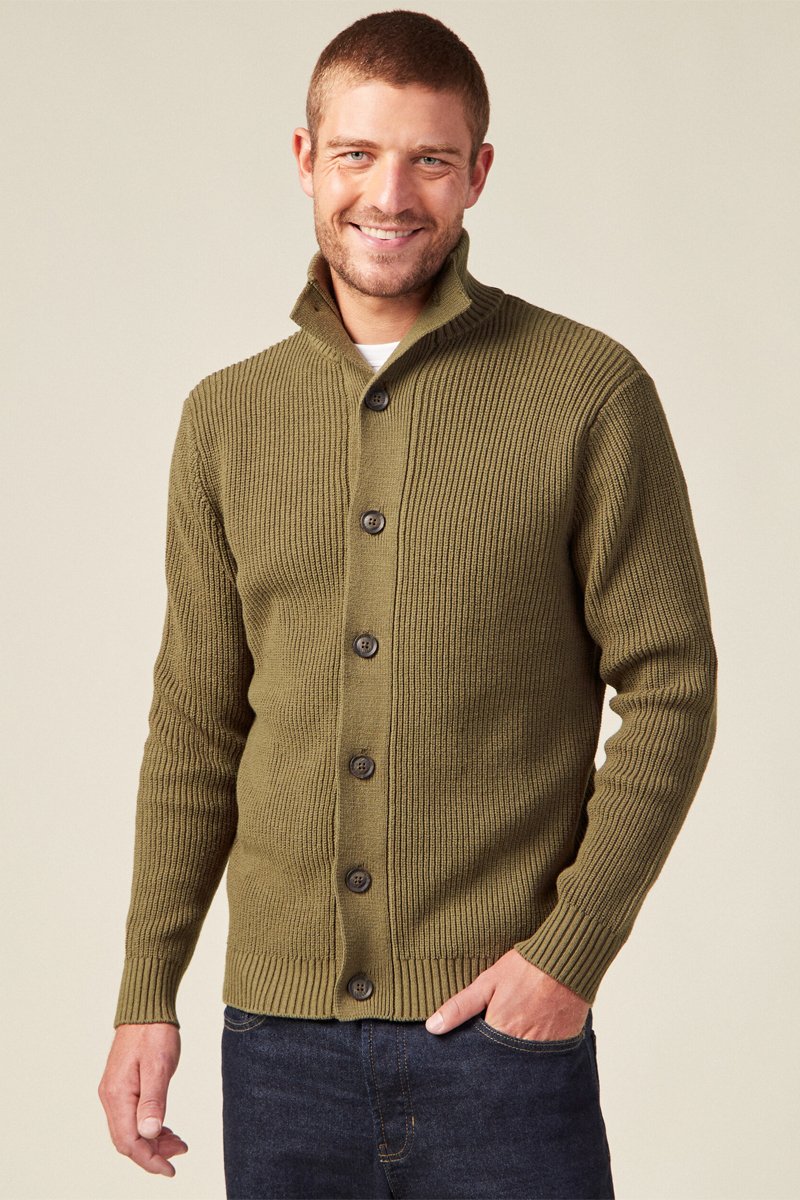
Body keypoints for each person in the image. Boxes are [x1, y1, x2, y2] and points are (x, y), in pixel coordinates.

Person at [98, 10, 718, 1199]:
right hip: (276, 1049)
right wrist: (146, 991)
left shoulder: (586, 392)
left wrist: (564, 957)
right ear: (304, 159)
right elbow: (195, 723)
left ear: (476, 172)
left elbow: (672, 689)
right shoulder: (225, 418)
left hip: (497, 1037)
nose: (388, 195)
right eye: (356, 154)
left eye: (429, 159)